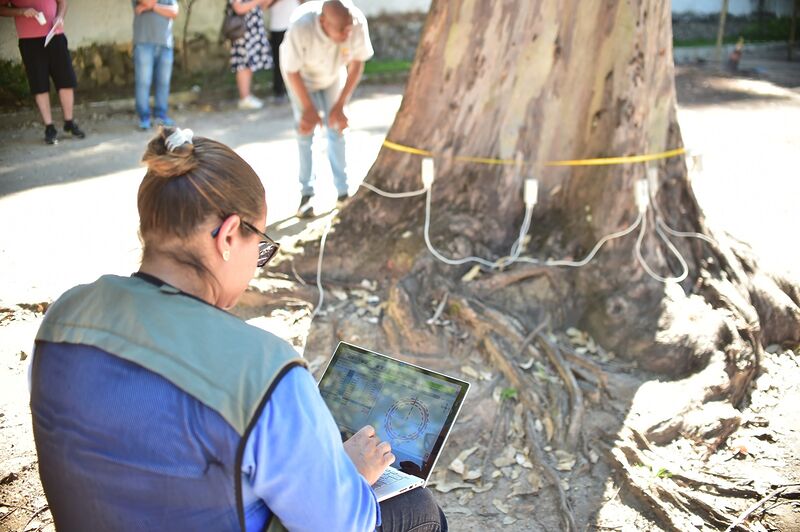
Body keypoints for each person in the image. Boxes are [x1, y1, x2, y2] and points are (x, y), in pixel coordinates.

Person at [29, 127, 449, 532]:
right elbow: (341, 524)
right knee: (418, 508)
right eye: (261, 248)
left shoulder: (64, 318)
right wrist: (349, 472)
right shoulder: (263, 368)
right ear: (229, 235)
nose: (257, 263)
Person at [280, 0, 373, 218]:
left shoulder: (356, 21)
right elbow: (291, 71)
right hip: (301, 77)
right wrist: (309, 109)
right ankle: (307, 195)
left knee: (337, 127)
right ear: (323, 22)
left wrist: (340, 105)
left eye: (348, 28)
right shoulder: (301, 26)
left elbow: (357, 63)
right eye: (341, 30)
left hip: (332, 75)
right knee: (306, 129)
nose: (347, 33)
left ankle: (343, 192)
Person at [0, 0, 86, 145]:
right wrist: (21, 12)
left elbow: (63, 2)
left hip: (55, 35)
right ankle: (49, 127)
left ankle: (69, 123)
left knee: (66, 80)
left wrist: (60, 17)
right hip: (29, 40)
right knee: (39, 84)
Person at [132, 0, 179, 130]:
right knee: (143, 81)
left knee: (163, 82)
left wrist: (151, 7)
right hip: (143, 42)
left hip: (166, 43)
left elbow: (174, 12)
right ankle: (144, 117)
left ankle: (161, 115)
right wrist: (161, 7)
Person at [230, 0, 274, 110]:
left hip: (252, 31)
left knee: (249, 64)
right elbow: (238, 8)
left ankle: (247, 96)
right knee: (243, 64)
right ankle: (244, 98)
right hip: (243, 31)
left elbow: (261, 7)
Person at [267, 0, 299, 103]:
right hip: (278, 26)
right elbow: (264, 5)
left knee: (298, 60)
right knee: (279, 61)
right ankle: (279, 92)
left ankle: (298, 91)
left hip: (296, 24)